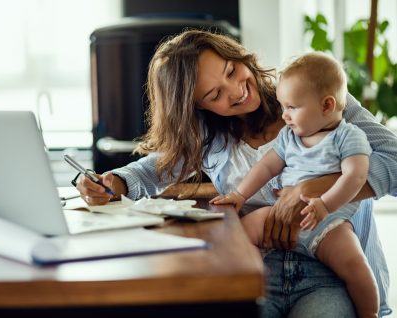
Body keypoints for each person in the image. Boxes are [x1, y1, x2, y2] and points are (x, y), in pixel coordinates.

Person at [76, 30, 395, 317]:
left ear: (237, 55)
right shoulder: (209, 135)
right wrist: (112, 182)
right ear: (198, 107)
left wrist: (316, 188)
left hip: (333, 270)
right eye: (214, 95)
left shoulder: (314, 94)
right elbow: (154, 168)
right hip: (259, 269)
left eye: (231, 70)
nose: (236, 91)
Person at [210, 52, 378, 317]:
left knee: (354, 263)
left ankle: (370, 312)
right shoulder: (289, 137)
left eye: (292, 108)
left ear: (326, 106)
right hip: (281, 213)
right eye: (283, 106)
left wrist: (324, 204)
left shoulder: (348, 136)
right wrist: (240, 195)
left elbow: (355, 177)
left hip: (328, 222)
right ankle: (253, 283)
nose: (284, 115)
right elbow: (266, 166)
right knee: (241, 231)